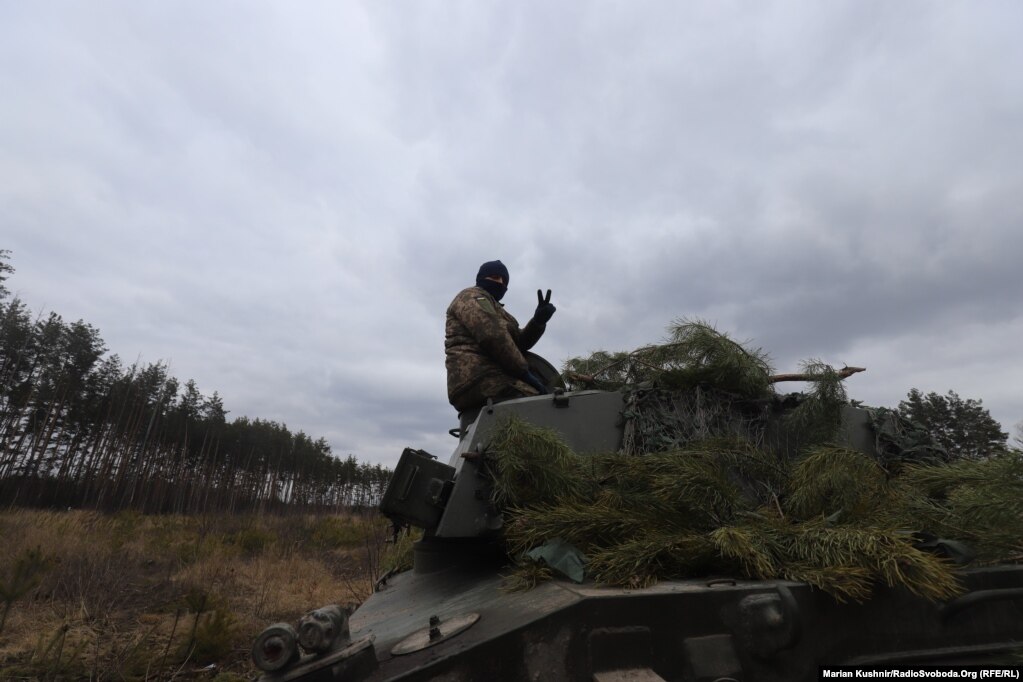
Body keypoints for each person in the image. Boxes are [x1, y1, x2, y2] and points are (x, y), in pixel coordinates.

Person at [445, 260, 557, 413]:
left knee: (547, 398)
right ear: (481, 278)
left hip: (490, 377)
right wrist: (524, 373)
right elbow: (493, 336)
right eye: (495, 277)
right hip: (477, 377)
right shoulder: (471, 297)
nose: (501, 283)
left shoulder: (498, 311)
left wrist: (538, 322)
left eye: (504, 280)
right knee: (544, 406)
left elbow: (518, 343)